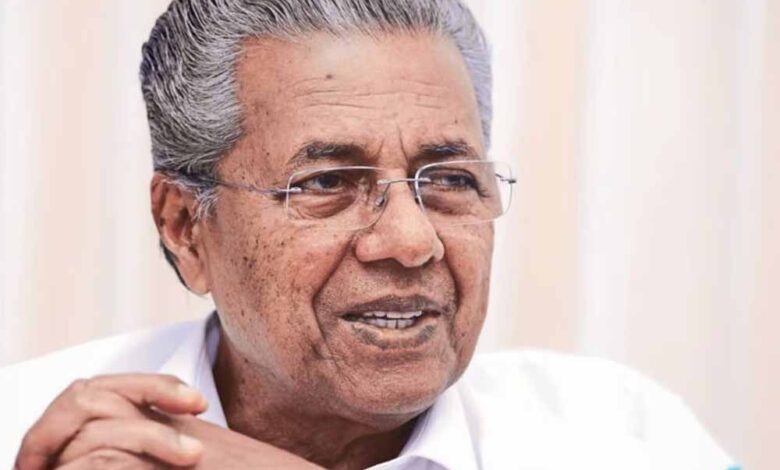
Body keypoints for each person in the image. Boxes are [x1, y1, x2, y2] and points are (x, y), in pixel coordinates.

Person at [2, 1, 736, 469]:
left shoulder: (623, 435)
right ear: (185, 228)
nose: (412, 242)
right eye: (326, 183)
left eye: (449, 179)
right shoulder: (29, 432)